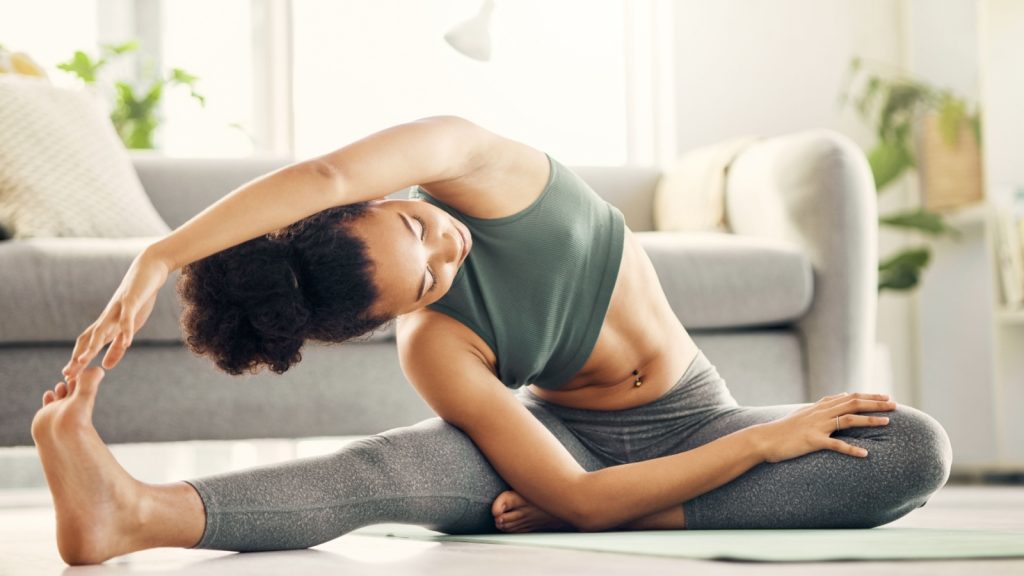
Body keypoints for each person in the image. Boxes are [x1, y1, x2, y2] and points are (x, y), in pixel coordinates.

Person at [36, 116, 952, 566]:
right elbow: (579, 492)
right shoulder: (432, 346)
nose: (445, 253)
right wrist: (762, 446)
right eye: (425, 284)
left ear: (374, 199)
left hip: (695, 422)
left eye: (412, 228)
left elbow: (322, 171)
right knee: (381, 474)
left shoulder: (478, 165)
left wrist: (157, 257)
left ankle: (647, 507)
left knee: (910, 447)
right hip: (571, 450)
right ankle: (134, 512)